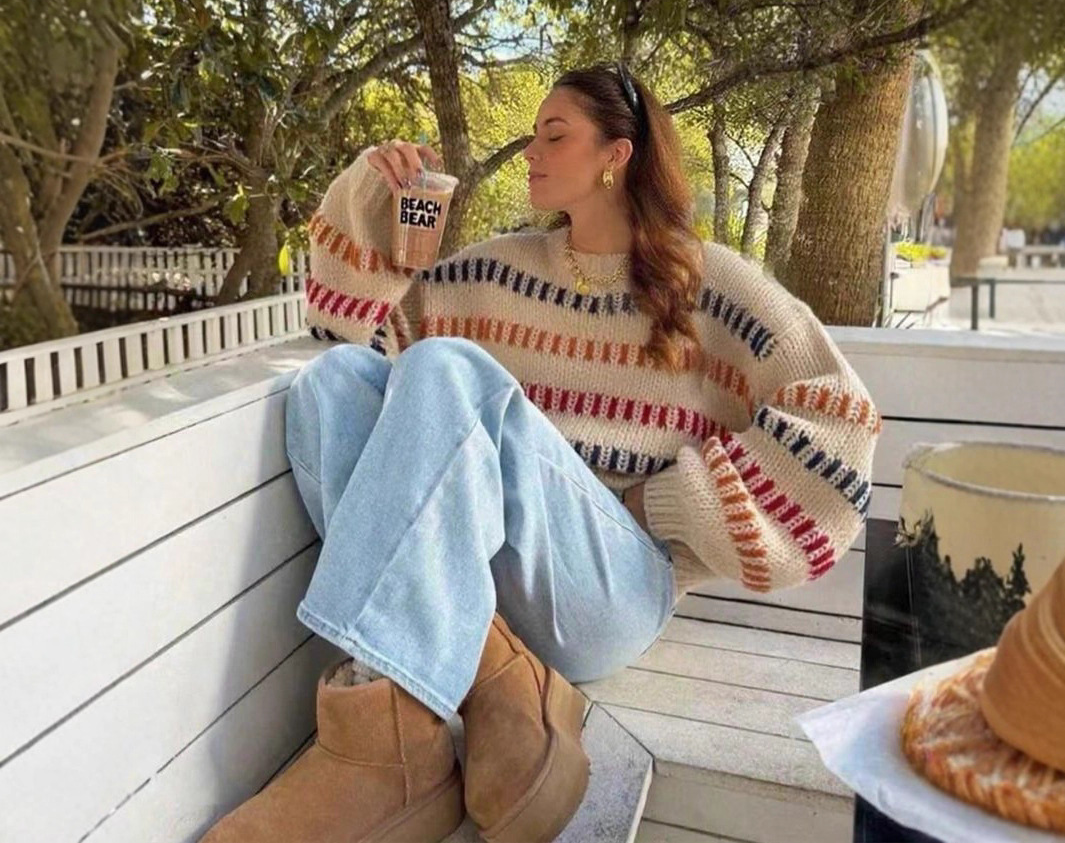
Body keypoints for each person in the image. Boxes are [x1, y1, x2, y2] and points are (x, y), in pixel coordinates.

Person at [202, 61, 880, 843]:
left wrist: (665, 501)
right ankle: (471, 688)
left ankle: (386, 735)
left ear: (616, 154)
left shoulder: (714, 285)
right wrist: (367, 195)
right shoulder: (497, 270)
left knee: (445, 365)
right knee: (332, 385)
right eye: (532, 134)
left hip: (615, 592)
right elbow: (347, 334)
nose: (530, 150)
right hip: (495, 589)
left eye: (554, 135)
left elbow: (838, 425)